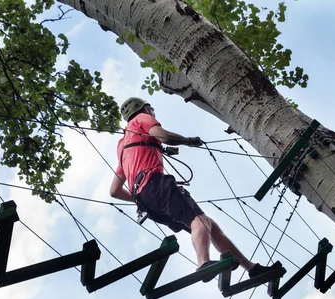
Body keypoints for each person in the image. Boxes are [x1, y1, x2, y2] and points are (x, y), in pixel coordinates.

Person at [109, 97, 282, 282]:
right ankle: (203, 264)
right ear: (144, 108)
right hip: (154, 182)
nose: (153, 112)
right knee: (199, 221)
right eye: (151, 108)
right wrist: (188, 141)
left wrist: (141, 198)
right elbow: (164, 136)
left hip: (145, 202)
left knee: (209, 226)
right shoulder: (141, 119)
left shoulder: (122, 145)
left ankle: (252, 268)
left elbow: (115, 191)